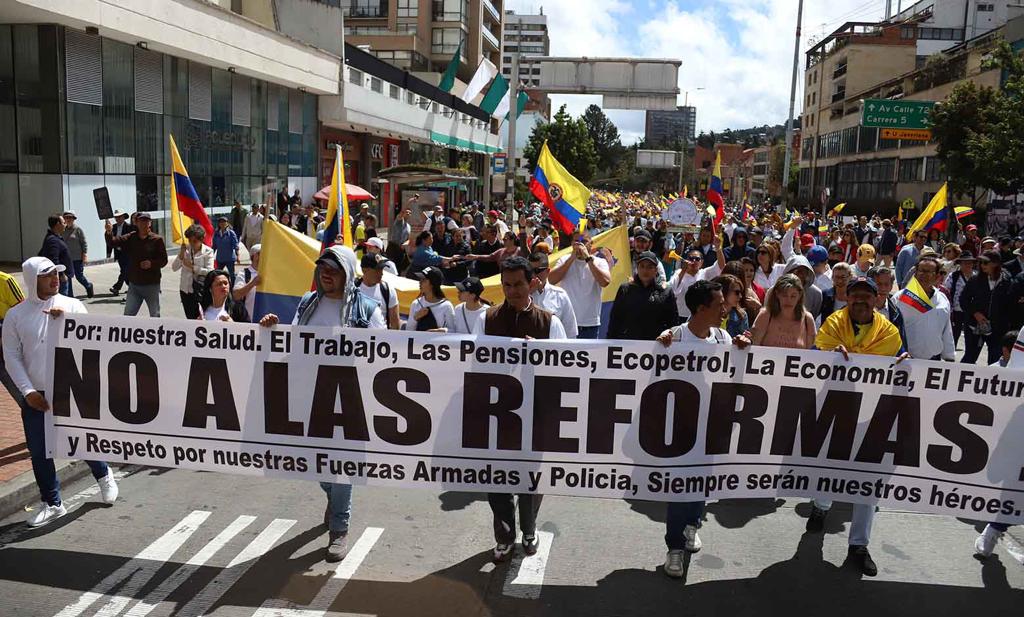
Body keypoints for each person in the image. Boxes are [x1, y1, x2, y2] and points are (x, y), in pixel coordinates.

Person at [259, 245, 384, 561]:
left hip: (349, 400)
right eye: (322, 268)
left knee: (342, 466)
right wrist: (272, 328)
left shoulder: (367, 310)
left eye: (334, 269)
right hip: (311, 397)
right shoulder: (307, 302)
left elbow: (383, 353)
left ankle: (339, 528)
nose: (326, 274)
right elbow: (294, 341)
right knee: (316, 462)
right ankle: (333, 497)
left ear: (347, 273)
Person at [2, 257, 119, 527]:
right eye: (47, 275)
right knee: (39, 450)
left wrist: (67, 323)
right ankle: (53, 503)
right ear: (33, 280)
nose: (56, 278)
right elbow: (11, 357)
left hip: (70, 389)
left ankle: (103, 474)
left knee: (81, 439)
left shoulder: (72, 306)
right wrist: (28, 391)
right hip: (36, 395)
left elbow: (92, 341)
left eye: (57, 273)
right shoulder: (16, 316)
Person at [471, 257, 566, 562]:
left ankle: (529, 529)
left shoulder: (550, 323)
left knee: (530, 478)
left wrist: (540, 354)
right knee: (496, 478)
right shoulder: (486, 319)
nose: (512, 291)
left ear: (532, 283)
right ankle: (504, 535)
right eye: (507, 285)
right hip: (497, 414)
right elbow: (475, 363)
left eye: (518, 284)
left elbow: (566, 369)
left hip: (536, 414)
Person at [809, 276, 904, 577]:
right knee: (829, 466)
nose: (861, 300)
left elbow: (900, 361)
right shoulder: (833, 324)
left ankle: (859, 545)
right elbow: (814, 355)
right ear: (846, 298)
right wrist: (830, 356)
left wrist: (905, 364)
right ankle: (821, 506)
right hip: (836, 407)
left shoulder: (889, 332)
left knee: (868, 479)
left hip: (872, 413)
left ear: (876, 299)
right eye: (855, 295)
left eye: (867, 295)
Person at [655, 280, 750, 578]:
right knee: (679, 486)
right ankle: (674, 547)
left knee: (701, 482)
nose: (725, 309)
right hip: (680, 429)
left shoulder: (723, 337)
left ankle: (691, 525)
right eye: (719, 304)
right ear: (700, 308)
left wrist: (742, 350)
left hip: (711, 427)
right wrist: (659, 347)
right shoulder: (675, 337)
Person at [549, 229, 612, 339]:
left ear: (591, 244)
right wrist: (571, 258)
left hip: (590, 325)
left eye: (583, 241)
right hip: (567, 323)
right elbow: (551, 280)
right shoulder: (564, 260)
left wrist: (588, 259)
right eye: (576, 241)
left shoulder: (599, 262)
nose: (580, 245)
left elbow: (605, 282)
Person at [960, 250, 1018, 365]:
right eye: (981, 262)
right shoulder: (975, 280)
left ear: (996, 263)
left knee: (995, 360)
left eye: (986, 262)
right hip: (974, 326)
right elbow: (963, 300)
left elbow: (1011, 306)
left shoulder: (1007, 281)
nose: (982, 265)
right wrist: (975, 313)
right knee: (969, 358)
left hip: (997, 329)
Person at [106, 211, 168, 317]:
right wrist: (109, 232)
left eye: (146, 221)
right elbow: (113, 242)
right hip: (134, 285)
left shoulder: (157, 240)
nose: (143, 224)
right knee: (128, 316)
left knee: (155, 315)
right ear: (136, 223)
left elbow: (164, 260)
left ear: (150, 223)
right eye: (141, 221)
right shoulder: (131, 237)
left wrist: (151, 263)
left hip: (152, 285)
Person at [894, 255, 955, 361]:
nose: (924, 275)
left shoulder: (942, 299)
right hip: (905, 359)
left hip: (933, 360)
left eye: (928, 272)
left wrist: (949, 356)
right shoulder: (901, 297)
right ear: (915, 274)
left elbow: (946, 330)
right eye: (921, 271)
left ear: (937, 276)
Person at [607, 251, 678, 340]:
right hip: (629, 344)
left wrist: (667, 335)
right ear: (637, 268)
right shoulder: (625, 289)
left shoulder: (665, 292)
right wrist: (610, 342)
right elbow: (615, 320)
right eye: (642, 266)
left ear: (656, 270)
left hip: (656, 344)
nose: (645, 270)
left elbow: (673, 323)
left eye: (650, 267)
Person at [750, 274, 816, 349]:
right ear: (777, 294)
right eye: (784, 295)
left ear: (799, 296)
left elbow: (811, 352)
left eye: (793, 296)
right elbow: (754, 347)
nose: (788, 300)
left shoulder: (807, 319)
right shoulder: (765, 315)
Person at [529, 252, 579, 339]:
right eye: (529, 271)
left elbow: (570, 331)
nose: (533, 275)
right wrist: (528, 293)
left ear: (547, 271)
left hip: (553, 346)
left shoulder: (560, 295)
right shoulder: (521, 295)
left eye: (537, 271)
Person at [172, 224, 215, 320]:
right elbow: (174, 268)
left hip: (200, 291)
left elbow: (210, 271)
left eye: (194, 241)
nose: (191, 243)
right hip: (185, 290)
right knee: (189, 318)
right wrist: (181, 255)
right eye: (190, 240)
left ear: (201, 239)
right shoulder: (185, 250)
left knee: (201, 317)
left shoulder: (208, 252)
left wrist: (192, 267)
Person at [0, 270, 25, 402]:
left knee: (18, 388)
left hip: (7, 341)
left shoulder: (5, 280)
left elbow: (23, 312)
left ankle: (30, 409)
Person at [358, 253, 400, 330]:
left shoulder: (388, 290)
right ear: (364, 270)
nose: (381, 273)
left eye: (382, 269)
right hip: (356, 337)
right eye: (377, 270)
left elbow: (395, 323)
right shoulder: (353, 289)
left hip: (382, 337)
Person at [408, 266, 455, 331]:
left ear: (433, 283)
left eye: (424, 280)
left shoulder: (446, 305)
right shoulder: (416, 303)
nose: (420, 282)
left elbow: (453, 330)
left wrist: (442, 331)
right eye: (420, 279)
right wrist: (415, 318)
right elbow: (408, 330)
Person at [944, 252, 975, 346]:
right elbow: (946, 291)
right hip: (956, 311)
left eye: (970, 263)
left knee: (971, 337)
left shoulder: (976, 277)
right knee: (954, 334)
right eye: (965, 263)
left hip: (971, 312)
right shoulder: (954, 276)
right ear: (960, 264)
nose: (967, 265)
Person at [39, 214, 74, 297]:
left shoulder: (55, 238)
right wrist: (61, 274)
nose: (65, 225)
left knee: (68, 300)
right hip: (61, 278)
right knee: (62, 301)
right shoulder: (53, 240)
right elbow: (53, 260)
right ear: (58, 224)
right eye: (64, 223)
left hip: (64, 276)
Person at [61, 211, 94, 298]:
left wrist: (84, 254)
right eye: (66, 218)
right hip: (66, 258)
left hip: (77, 258)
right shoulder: (62, 230)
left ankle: (88, 286)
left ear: (73, 219)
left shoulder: (78, 229)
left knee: (79, 276)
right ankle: (70, 296)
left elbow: (84, 243)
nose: (68, 219)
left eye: (70, 218)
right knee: (68, 277)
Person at [107, 210, 134, 295]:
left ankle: (116, 287)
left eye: (119, 217)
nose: (117, 219)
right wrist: (109, 252)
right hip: (118, 253)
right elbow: (109, 240)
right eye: (116, 217)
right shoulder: (113, 227)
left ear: (123, 217)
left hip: (127, 253)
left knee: (124, 271)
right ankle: (132, 287)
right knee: (125, 271)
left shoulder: (129, 227)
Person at [232, 243, 261, 319]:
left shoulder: (270, 273)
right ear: (253, 256)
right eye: (260, 254)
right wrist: (252, 283)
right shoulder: (244, 273)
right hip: (248, 320)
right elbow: (236, 295)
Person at [212, 216, 240, 280]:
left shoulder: (231, 233)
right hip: (220, 258)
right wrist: (211, 256)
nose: (222, 223)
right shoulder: (216, 234)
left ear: (227, 223)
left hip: (229, 258)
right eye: (220, 222)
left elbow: (236, 245)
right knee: (218, 274)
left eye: (224, 221)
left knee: (232, 275)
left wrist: (238, 256)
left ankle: (233, 285)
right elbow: (214, 246)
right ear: (219, 224)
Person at [387, 207, 412, 272]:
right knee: (390, 267)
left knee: (399, 269)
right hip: (393, 248)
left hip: (401, 249)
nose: (408, 214)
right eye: (406, 212)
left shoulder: (408, 226)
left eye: (409, 213)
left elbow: (409, 239)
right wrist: (409, 202)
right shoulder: (399, 221)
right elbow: (400, 215)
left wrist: (405, 244)